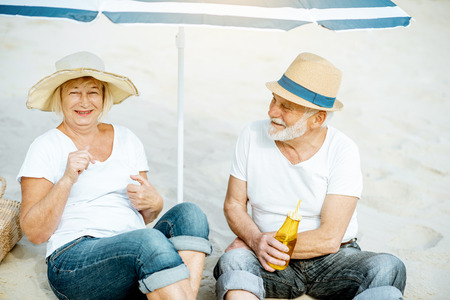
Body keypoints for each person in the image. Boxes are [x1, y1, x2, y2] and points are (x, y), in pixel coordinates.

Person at [17, 51, 212, 300]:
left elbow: (144, 217)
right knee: (148, 242)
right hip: (75, 261)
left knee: (190, 214)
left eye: (93, 92)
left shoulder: (128, 139)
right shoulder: (45, 146)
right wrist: (66, 180)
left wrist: (154, 204)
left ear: (104, 96)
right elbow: (34, 233)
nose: (84, 102)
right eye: (74, 92)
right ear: (60, 98)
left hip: (131, 250)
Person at [213, 53, 406, 300]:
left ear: (318, 118)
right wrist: (254, 240)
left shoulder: (343, 150)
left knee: (388, 266)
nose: (272, 111)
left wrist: (264, 244)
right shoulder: (251, 134)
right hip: (268, 260)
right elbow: (233, 204)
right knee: (234, 261)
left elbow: (329, 238)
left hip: (333, 261)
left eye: (286, 107)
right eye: (274, 100)